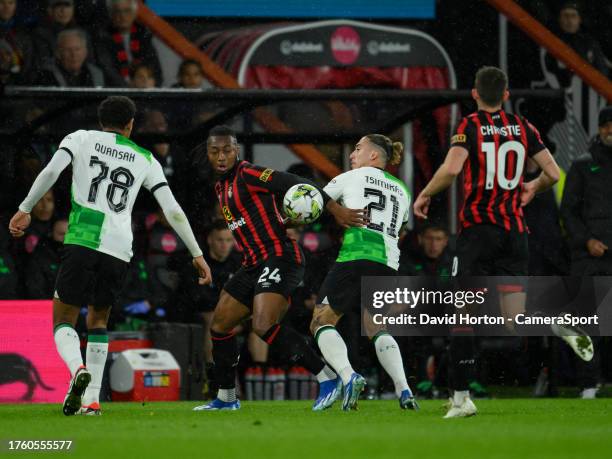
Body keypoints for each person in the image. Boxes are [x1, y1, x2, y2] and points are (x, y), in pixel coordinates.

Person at [8, 96, 211, 416]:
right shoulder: (145, 158)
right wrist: (197, 252)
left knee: (63, 319)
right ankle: (91, 400)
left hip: (83, 237)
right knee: (99, 319)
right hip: (119, 247)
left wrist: (24, 209)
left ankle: (77, 369)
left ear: (101, 120)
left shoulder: (80, 138)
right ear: (130, 125)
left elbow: (50, 172)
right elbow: (172, 209)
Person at [413, 66, 561, 418]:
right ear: (507, 95)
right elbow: (553, 173)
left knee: (463, 314)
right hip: (514, 232)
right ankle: (552, 320)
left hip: (479, 231)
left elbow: (451, 170)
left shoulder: (469, 126)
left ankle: (462, 399)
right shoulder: (525, 127)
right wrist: (532, 187)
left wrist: (425, 194)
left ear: (474, 94)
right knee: (514, 317)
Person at [192, 125, 366, 411]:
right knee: (220, 325)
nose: (221, 156)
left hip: (279, 257)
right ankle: (226, 398)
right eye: (214, 151)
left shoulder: (248, 173)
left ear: (236, 150)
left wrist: (336, 211)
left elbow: (296, 181)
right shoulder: (220, 187)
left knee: (262, 324)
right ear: (208, 154)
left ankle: (326, 378)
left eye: (226, 150)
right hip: (252, 264)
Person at [309, 134, 417, 411]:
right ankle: (404, 389)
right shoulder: (402, 188)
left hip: (355, 256)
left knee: (321, 322)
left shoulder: (351, 176)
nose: (352, 155)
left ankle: (348, 375)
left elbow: (316, 201)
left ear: (373, 156)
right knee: (376, 327)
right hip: (388, 264)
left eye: (357, 148)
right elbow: (402, 229)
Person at [559, 105, 612, 398]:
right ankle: (589, 385)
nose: (611, 131)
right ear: (600, 128)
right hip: (588, 257)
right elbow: (568, 211)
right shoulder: (583, 164)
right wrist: (586, 241)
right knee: (586, 323)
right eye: (607, 125)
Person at [93, 0, 162, 87]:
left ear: (134, 14)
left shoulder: (143, 35)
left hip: (144, 89)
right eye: (118, 11)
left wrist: (147, 83)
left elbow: (154, 68)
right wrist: (127, 86)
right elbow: (107, 69)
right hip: (116, 91)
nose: (122, 16)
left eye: (127, 11)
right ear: (111, 14)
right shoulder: (103, 36)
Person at [33, 28, 104, 87]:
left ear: (85, 52)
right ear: (58, 53)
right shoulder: (47, 75)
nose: (74, 54)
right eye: (68, 50)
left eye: (77, 49)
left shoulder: (96, 74)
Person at [25, 218, 67, 299]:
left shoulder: (80, 256)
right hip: (47, 307)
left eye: (69, 235)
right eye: (61, 234)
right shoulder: (40, 257)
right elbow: (35, 289)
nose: (65, 238)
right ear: (51, 234)